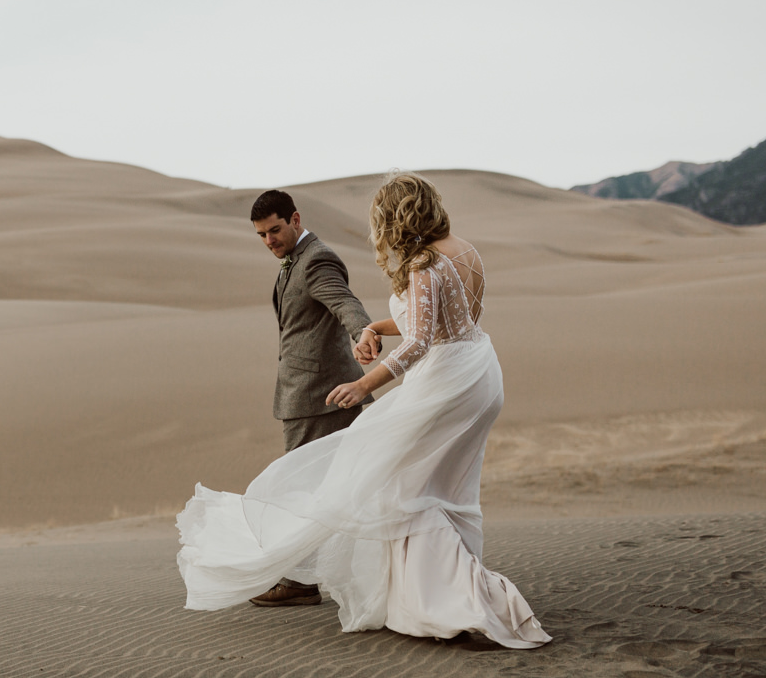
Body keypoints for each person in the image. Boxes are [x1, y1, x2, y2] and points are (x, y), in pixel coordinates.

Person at [178, 173, 551, 648]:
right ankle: (442, 589)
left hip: (444, 383)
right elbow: (442, 319)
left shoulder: (422, 263)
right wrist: (375, 325)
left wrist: (363, 383)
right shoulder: (465, 250)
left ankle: (452, 599)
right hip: (477, 372)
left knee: (405, 487)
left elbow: (419, 340)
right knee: (443, 489)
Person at [246, 189, 376, 607]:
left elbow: (344, 303)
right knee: (334, 485)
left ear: (296, 219)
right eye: (262, 235)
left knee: (296, 488)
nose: (270, 241)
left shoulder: (317, 259)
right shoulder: (292, 261)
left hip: (319, 398)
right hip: (312, 394)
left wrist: (364, 332)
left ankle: (299, 581)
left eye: (276, 230)